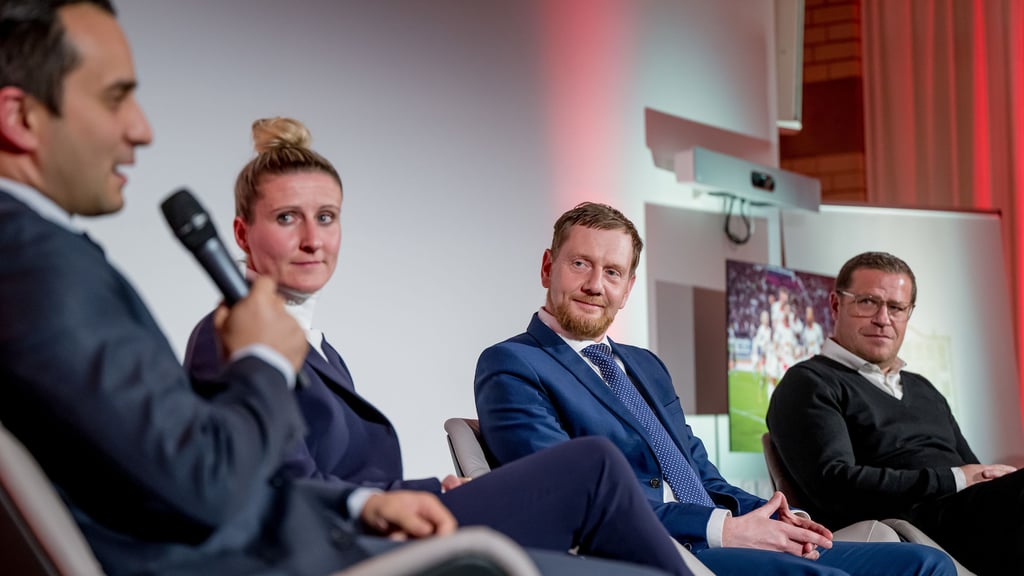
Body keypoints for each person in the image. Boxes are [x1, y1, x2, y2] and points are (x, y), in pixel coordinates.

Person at [0, 3, 690, 575]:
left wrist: (389, 498)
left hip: (337, 530)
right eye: (117, 97)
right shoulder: (42, 268)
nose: (141, 129)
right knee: (597, 482)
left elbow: (196, 470)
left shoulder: (53, 262)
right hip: (306, 557)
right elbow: (215, 484)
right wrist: (267, 363)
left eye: (326, 218)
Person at [178, 117, 694, 575]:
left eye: (327, 217)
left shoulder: (318, 349)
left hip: (376, 526)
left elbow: (343, 477)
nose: (313, 239)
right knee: (595, 464)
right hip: (337, 549)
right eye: (287, 218)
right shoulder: (229, 339)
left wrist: (427, 491)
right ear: (242, 235)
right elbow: (270, 488)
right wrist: (385, 504)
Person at [474, 202, 957, 576]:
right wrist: (723, 530)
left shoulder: (644, 366)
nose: (595, 285)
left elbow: (699, 472)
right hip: (651, 551)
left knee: (925, 565)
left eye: (613, 272)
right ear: (547, 268)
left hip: (720, 536)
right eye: (580, 264)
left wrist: (772, 516)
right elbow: (570, 495)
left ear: (627, 287)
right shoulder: (514, 365)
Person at [767, 251, 1024, 575]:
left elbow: (974, 472)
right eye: (867, 302)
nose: (883, 318)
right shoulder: (809, 382)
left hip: (972, 516)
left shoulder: (923, 388)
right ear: (835, 305)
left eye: (896, 308)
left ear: (908, 314)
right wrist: (954, 478)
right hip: (912, 527)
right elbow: (834, 484)